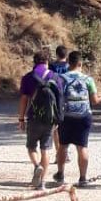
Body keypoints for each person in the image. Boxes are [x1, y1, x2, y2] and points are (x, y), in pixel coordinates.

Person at [54, 51, 101, 189]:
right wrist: (99, 100)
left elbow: (57, 97)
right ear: (80, 63)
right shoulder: (88, 79)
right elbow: (94, 100)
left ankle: (60, 174)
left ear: (69, 63)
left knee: (63, 145)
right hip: (84, 115)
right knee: (82, 147)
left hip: (66, 115)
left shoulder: (60, 78)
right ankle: (82, 177)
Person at [17, 51, 60, 189]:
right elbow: (60, 99)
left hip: (34, 117)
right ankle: (42, 183)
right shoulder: (55, 77)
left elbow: (24, 100)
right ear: (48, 62)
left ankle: (36, 166)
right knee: (45, 150)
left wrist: (21, 118)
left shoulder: (28, 77)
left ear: (34, 62)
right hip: (49, 119)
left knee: (31, 147)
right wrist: (58, 119)